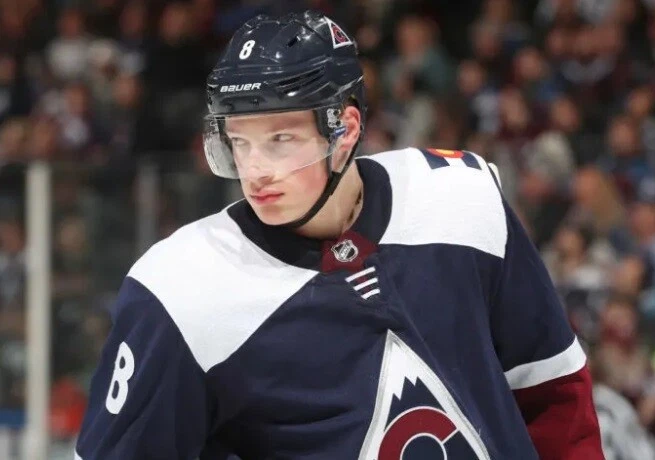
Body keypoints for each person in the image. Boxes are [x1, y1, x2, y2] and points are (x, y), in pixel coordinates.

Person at [75, 11, 603, 459]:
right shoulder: (177, 291)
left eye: (281, 139)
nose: (256, 170)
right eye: (240, 142)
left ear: (345, 128)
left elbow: (554, 394)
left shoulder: (459, 196)